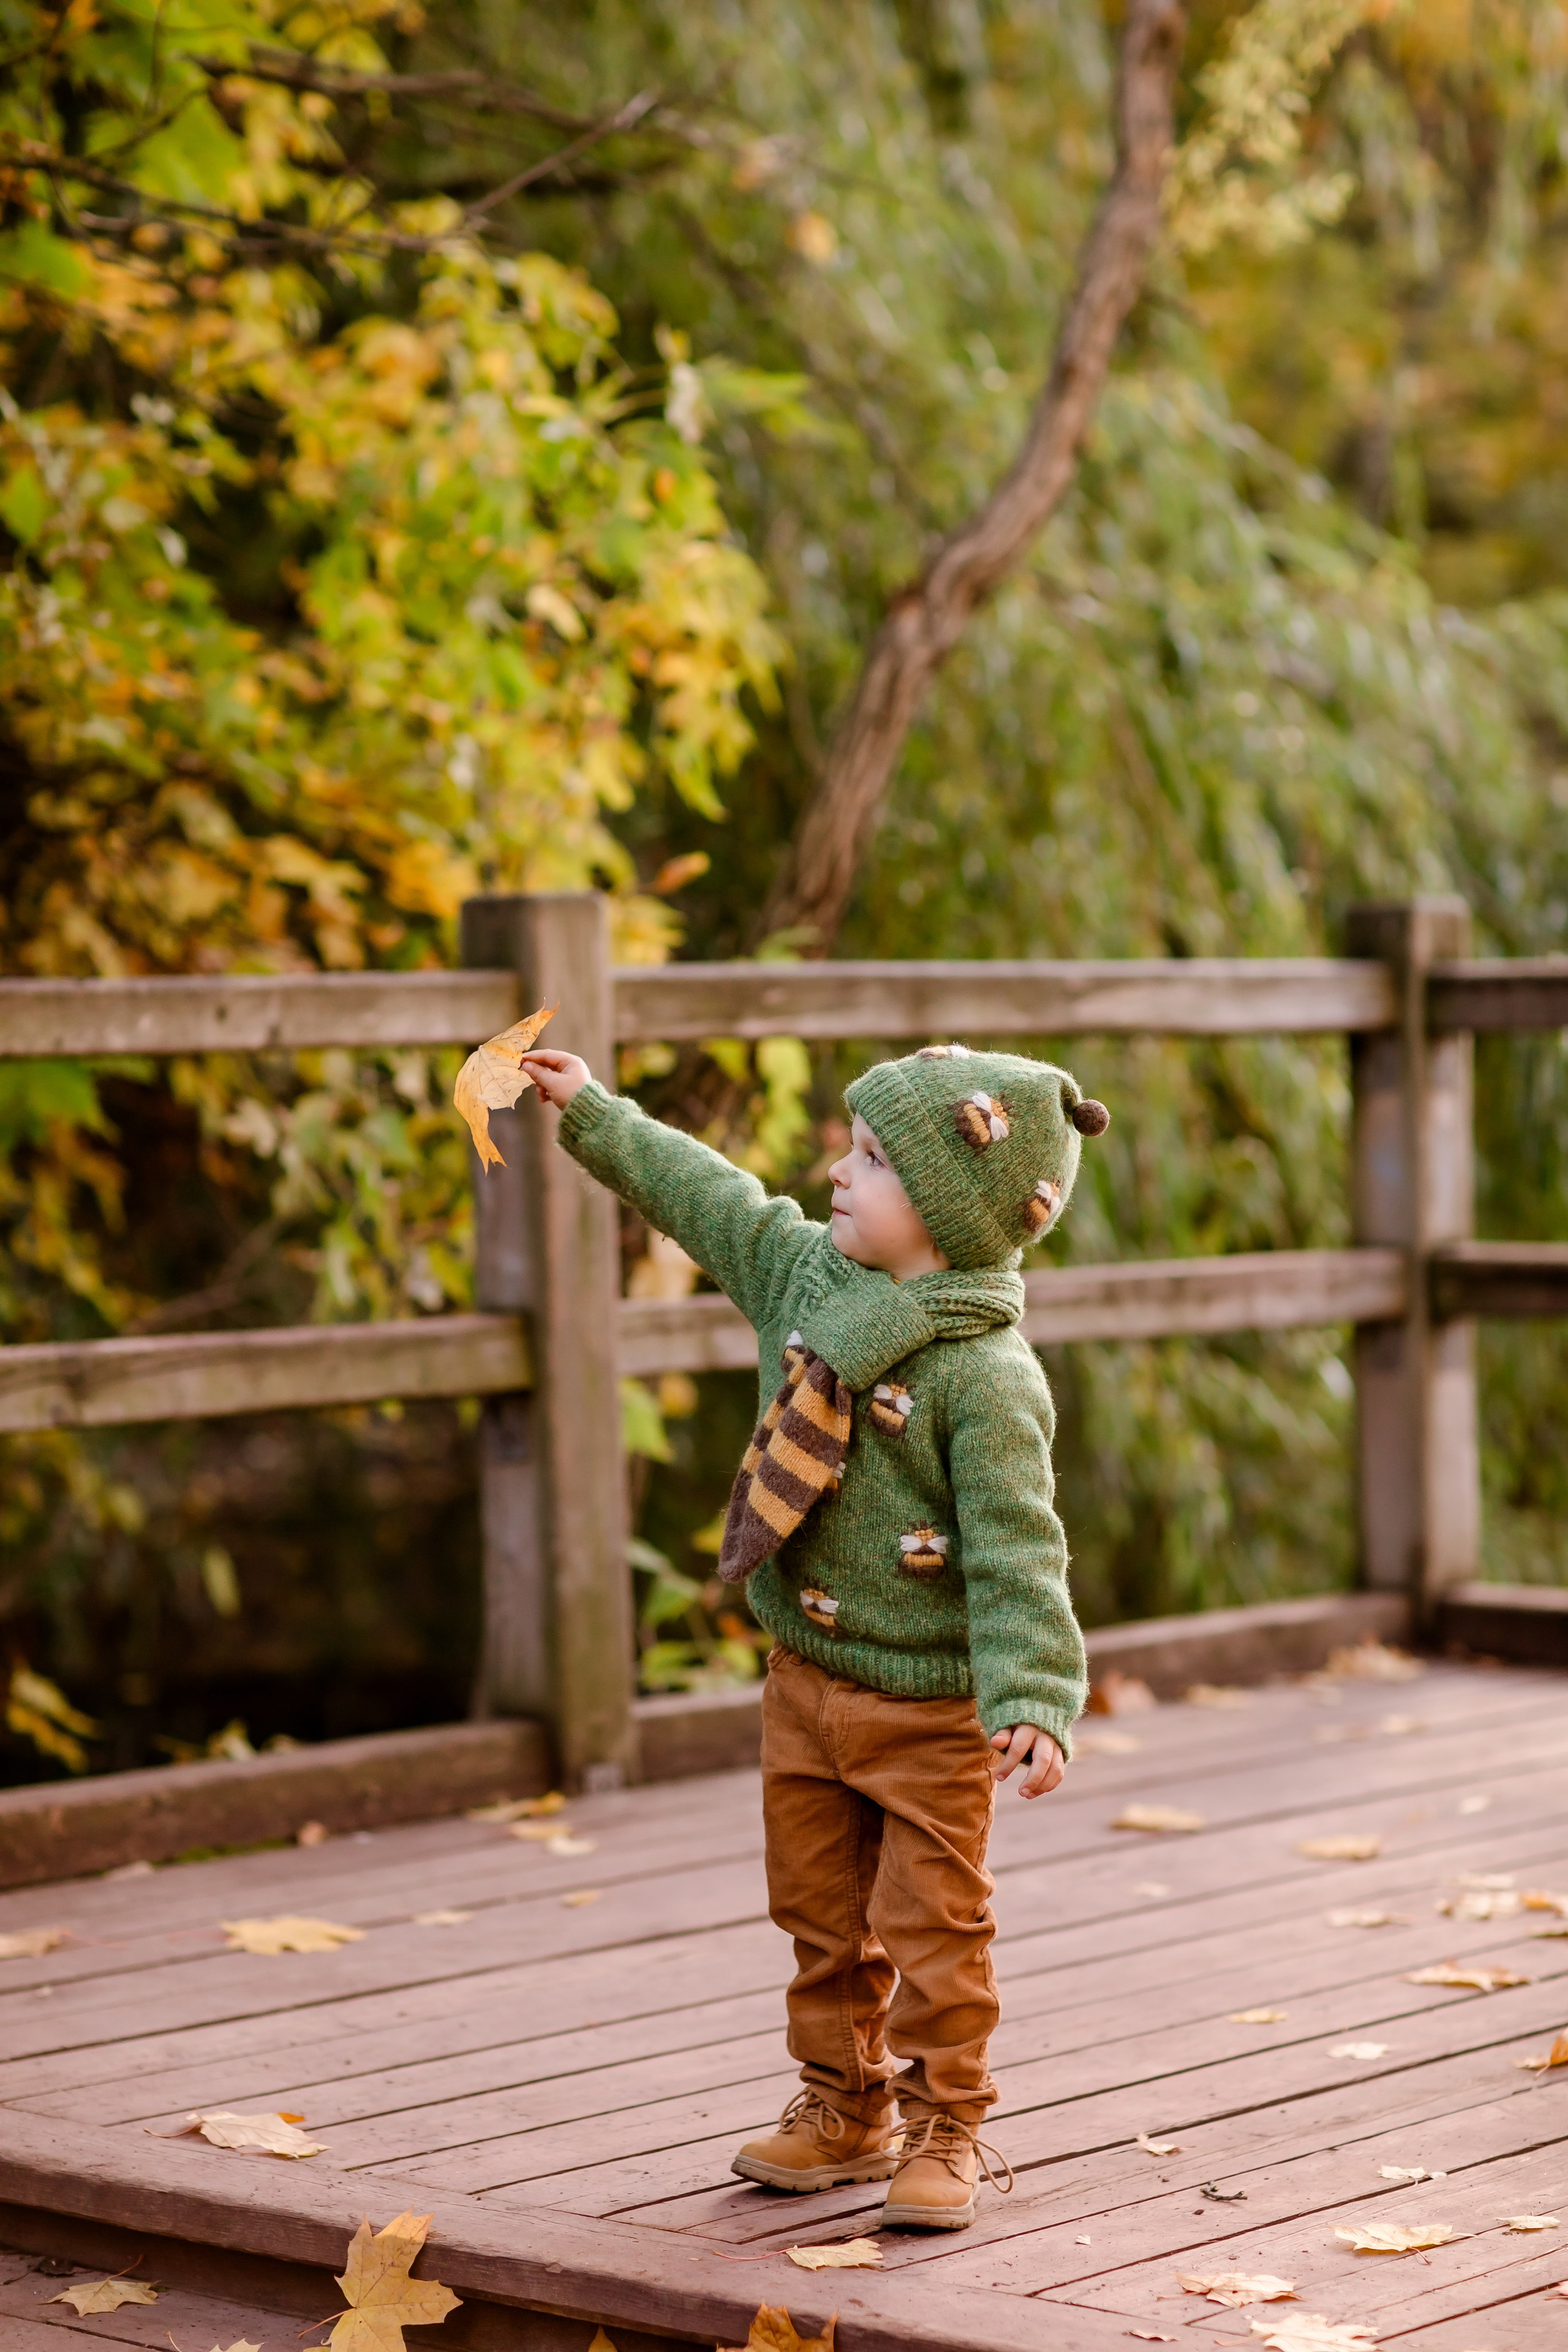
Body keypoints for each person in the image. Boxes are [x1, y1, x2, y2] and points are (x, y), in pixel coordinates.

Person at [518, 1036, 1107, 2231]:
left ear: (948, 1212)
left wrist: (1032, 1696)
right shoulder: (800, 1278)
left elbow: (1016, 1550)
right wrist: (592, 1112)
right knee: (817, 1912)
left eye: (875, 1160)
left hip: (928, 1707)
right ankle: (843, 2106)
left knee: (932, 1924)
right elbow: (706, 1195)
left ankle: (948, 2124)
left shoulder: (985, 1379)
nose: (839, 1171)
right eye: (850, 1144)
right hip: (804, 1678)